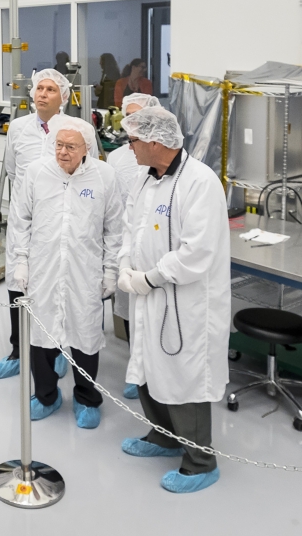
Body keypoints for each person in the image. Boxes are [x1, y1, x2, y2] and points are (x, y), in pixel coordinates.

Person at [117, 106, 230, 494]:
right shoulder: (143, 180)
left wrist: (150, 277)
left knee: (184, 375)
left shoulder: (200, 182)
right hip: (146, 295)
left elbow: (197, 252)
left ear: (153, 141)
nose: (128, 147)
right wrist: (124, 267)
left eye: (132, 140)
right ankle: (164, 436)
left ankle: (201, 461)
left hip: (187, 302)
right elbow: (130, 230)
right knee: (149, 366)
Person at [10, 116, 123, 428]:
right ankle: (46, 395)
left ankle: (87, 398)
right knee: (41, 332)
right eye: (59, 145)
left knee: (86, 334)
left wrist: (110, 270)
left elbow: (114, 228)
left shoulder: (104, 176)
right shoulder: (37, 173)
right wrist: (21, 260)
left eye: (70, 147)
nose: (62, 152)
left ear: (86, 148)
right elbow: (22, 219)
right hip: (43, 266)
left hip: (85, 269)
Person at [0, 69, 70, 380]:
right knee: (17, 285)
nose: (42, 94)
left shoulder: (72, 129)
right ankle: (18, 349)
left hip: (58, 221)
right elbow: (12, 169)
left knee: (56, 286)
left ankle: (59, 347)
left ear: (62, 96)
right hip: (24, 220)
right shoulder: (19, 128)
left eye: (50, 89)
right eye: (39, 88)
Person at [107, 93, 161, 400]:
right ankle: (135, 366)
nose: (131, 123)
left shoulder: (162, 155)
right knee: (128, 308)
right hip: (126, 246)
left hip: (156, 249)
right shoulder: (116, 158)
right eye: (127, 115)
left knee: (155, 312)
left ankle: (155, 369)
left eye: (137, 116)